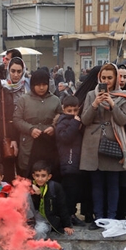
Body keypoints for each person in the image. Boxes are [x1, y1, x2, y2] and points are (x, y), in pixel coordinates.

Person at [80, 63, 126, 225]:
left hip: (113, 142)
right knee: (96, 183)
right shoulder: (91, 95)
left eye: (110, 78)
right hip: (93, 143)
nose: (106, 81)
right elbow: (84, 120)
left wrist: (112, 104)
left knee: (112, 183)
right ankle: (99, 218)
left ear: (116, 78)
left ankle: (111, 218)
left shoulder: (124, 96)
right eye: (103, 78)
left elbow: (123, 120)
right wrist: (95, 104)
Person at [14, 69, 60, 177]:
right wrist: (30, 129)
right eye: (38, 85)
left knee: (47, 173)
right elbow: (17, 119)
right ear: (32, 85)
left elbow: (61, 119)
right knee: (27, 175)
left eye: (44, 84)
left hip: (48, 144)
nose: (41, 88)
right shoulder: (24, 100)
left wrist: (53, 128)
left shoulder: (55, 100)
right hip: (29, 143)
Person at [54, 95, 85, 225]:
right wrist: (75, 123)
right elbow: (65, 137)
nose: (72, 113)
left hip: (74, 161)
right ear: (63, 109)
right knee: (69, 192)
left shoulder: (73, 121)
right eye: (69, 111)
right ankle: (68, 216)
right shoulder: (63, 121)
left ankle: (71, 214)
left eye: (75, 110)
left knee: (74, 191)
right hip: (68, 162)